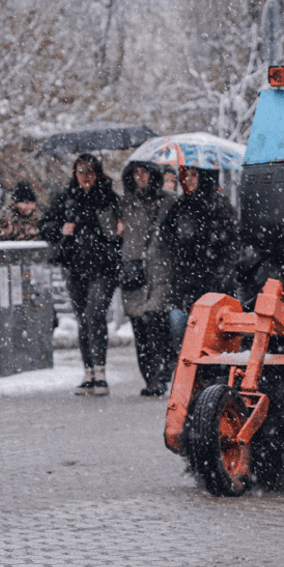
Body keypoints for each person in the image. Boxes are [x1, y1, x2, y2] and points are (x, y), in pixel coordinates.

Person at [39, 154, 122, 396]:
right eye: (81, 171)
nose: (85, 177)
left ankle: (100, 371)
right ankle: (88, 372)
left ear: (98, 173)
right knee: (83, 319)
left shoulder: (108, 199)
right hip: (75, 267)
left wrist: (118, 230)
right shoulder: (66, 199)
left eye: (90, 171)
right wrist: (59, 229)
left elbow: (121, 230)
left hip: (103, 268)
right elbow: (45, 226)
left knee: (95, 314)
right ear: (74, 173)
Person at [161, 166, 237, 351]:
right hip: (183, 284)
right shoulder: (180, 206)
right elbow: (167, 237)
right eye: (185, 175)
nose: (189, 180)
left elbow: (230, 248)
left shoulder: (220, 206)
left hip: (211, 286)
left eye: (194, 175)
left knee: (207, 343)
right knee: (179, 332)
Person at [119, 162, 178, 397]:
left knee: (155, 321)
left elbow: (177, 234)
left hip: (160, 269)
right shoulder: (124, 204)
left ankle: (160, 373)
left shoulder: (169, 201)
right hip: (133, 270)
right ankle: (151, 376)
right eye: (136, 173)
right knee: (139, 327)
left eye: (144, 172)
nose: (140, 177)